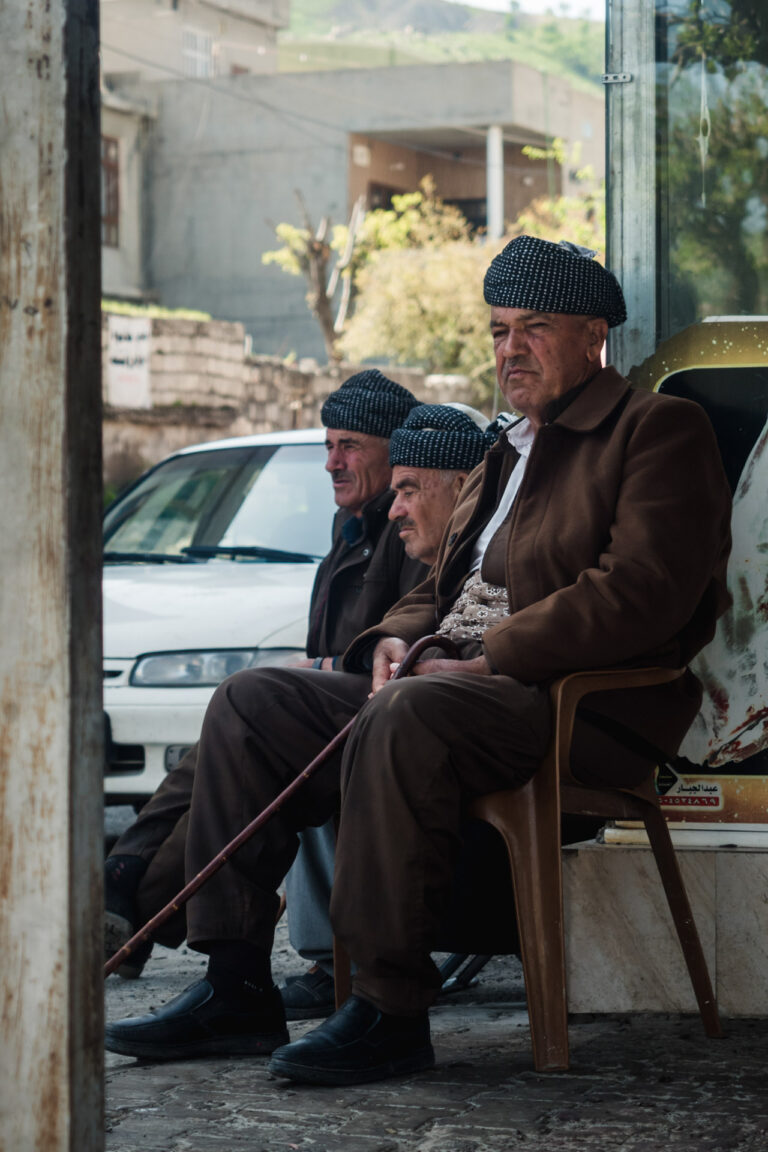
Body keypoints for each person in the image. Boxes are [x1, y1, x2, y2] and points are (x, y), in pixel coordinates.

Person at [105, 235, 732, 1087]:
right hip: (451, 688)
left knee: (410, 712)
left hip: (572, 706)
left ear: (594, 335)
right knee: (252, 701)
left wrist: (489, 661)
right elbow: (434, 586)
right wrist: (394, 640)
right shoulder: (504, 447)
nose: (511, 350)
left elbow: (644, 591)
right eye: (500, 330)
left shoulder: (657, 429)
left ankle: (389, 1008)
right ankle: (234, 982)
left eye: (534, 329)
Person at [104, 369, 424, 977]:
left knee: (247, 707)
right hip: (335, 707)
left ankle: (130, 904)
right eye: (328, 446)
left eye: (349, 445)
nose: (332, 462)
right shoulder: (347, 525)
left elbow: (400, 637)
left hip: (380, 713)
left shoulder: (407, 520)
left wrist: (323, 667)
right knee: (227, 737)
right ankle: (126, 891)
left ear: (395, 449)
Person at [283, 401, 497, 1017]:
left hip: (470, 718)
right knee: (255, 704)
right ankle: (218, 960)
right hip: (413, 695)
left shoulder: (473, 545)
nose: (396, 509)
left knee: (344, 724)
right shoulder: (367, 533)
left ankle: (375, 990)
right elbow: (401, 616)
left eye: (409, 490)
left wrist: (346, 666)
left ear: (463, 489)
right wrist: (385, 645)